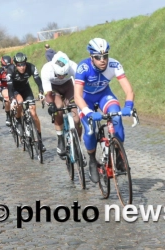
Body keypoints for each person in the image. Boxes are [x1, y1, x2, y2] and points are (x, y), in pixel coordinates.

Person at [74, 38, 135, 183]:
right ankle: (92, 160)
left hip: (104, 95)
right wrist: (88, 112)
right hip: (86, 99)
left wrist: (128, 106)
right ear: (91, 57)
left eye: (105, 56)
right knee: (89, 130)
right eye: (98, 57)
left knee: (116, 117)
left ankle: (119, 156)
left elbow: (129, 90)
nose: (103, 60)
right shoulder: (83, 68)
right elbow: (77, 96)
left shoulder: (114, 65)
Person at [41, 51, 84, 159]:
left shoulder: (73, 67)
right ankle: (60, 140)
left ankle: (77, 144)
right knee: (58, 107)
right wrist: (51, 105)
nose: (61, 76)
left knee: (77, 119)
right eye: (59, 75)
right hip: (54, 88)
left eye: (64, 74)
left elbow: (82, 86)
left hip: (69, 86)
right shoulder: (47, 69)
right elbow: (48, 94)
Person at [6, 52, 46, 152]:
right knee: (20, 101)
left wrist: (41, 92)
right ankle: (18, 120)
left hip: (26, 89)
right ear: (15, 64)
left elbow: (38, 80)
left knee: (33, 113)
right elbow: (10, 87)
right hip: (15, 90)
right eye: (19, 65)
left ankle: (39, 141)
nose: (22, 67)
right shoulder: (10, 70)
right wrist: (12, 99)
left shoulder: (31, 67)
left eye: (23, 64)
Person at [0, 55, 13, 126]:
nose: (8, 69)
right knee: (7, 97)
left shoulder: (15, 69)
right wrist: (2, 99)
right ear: (2, 66)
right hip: (3, 87)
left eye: (10, 66)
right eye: (6, 67)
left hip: (13, 86)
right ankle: (8, 116)